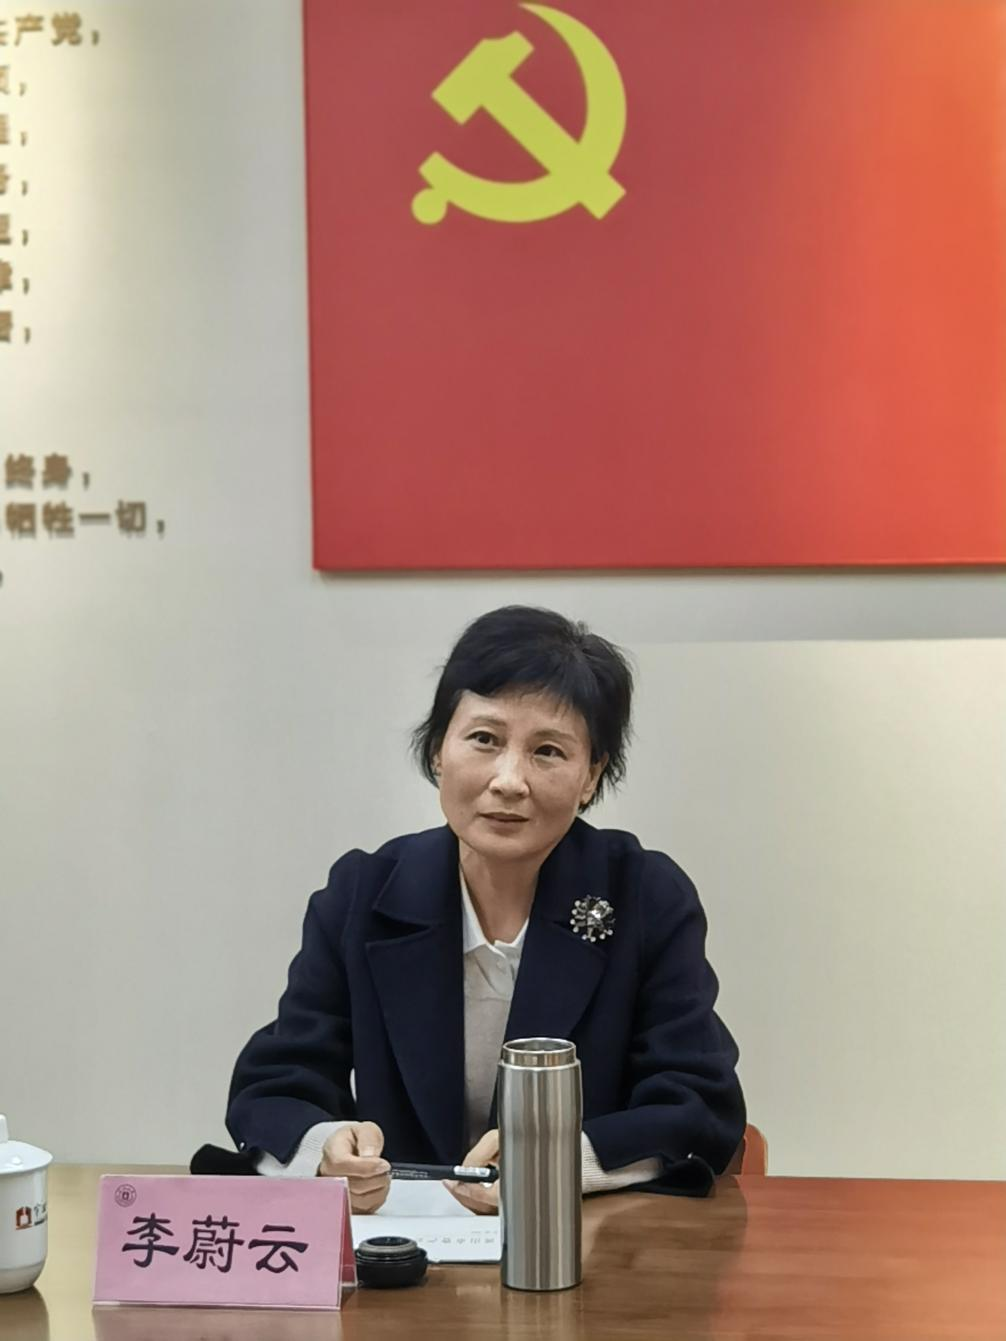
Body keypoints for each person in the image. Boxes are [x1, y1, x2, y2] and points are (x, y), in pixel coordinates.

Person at [226, 606, 745, 1213]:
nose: (509, 780)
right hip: (398, 1245)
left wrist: (556, 1163)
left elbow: (698, 1101)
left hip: (588, 1239)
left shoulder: (645, 896)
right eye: (484, 739)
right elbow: (276, 1086)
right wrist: (325, 1149)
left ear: (591, 775)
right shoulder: (362, 895)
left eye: (547, 751)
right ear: (438, 750)